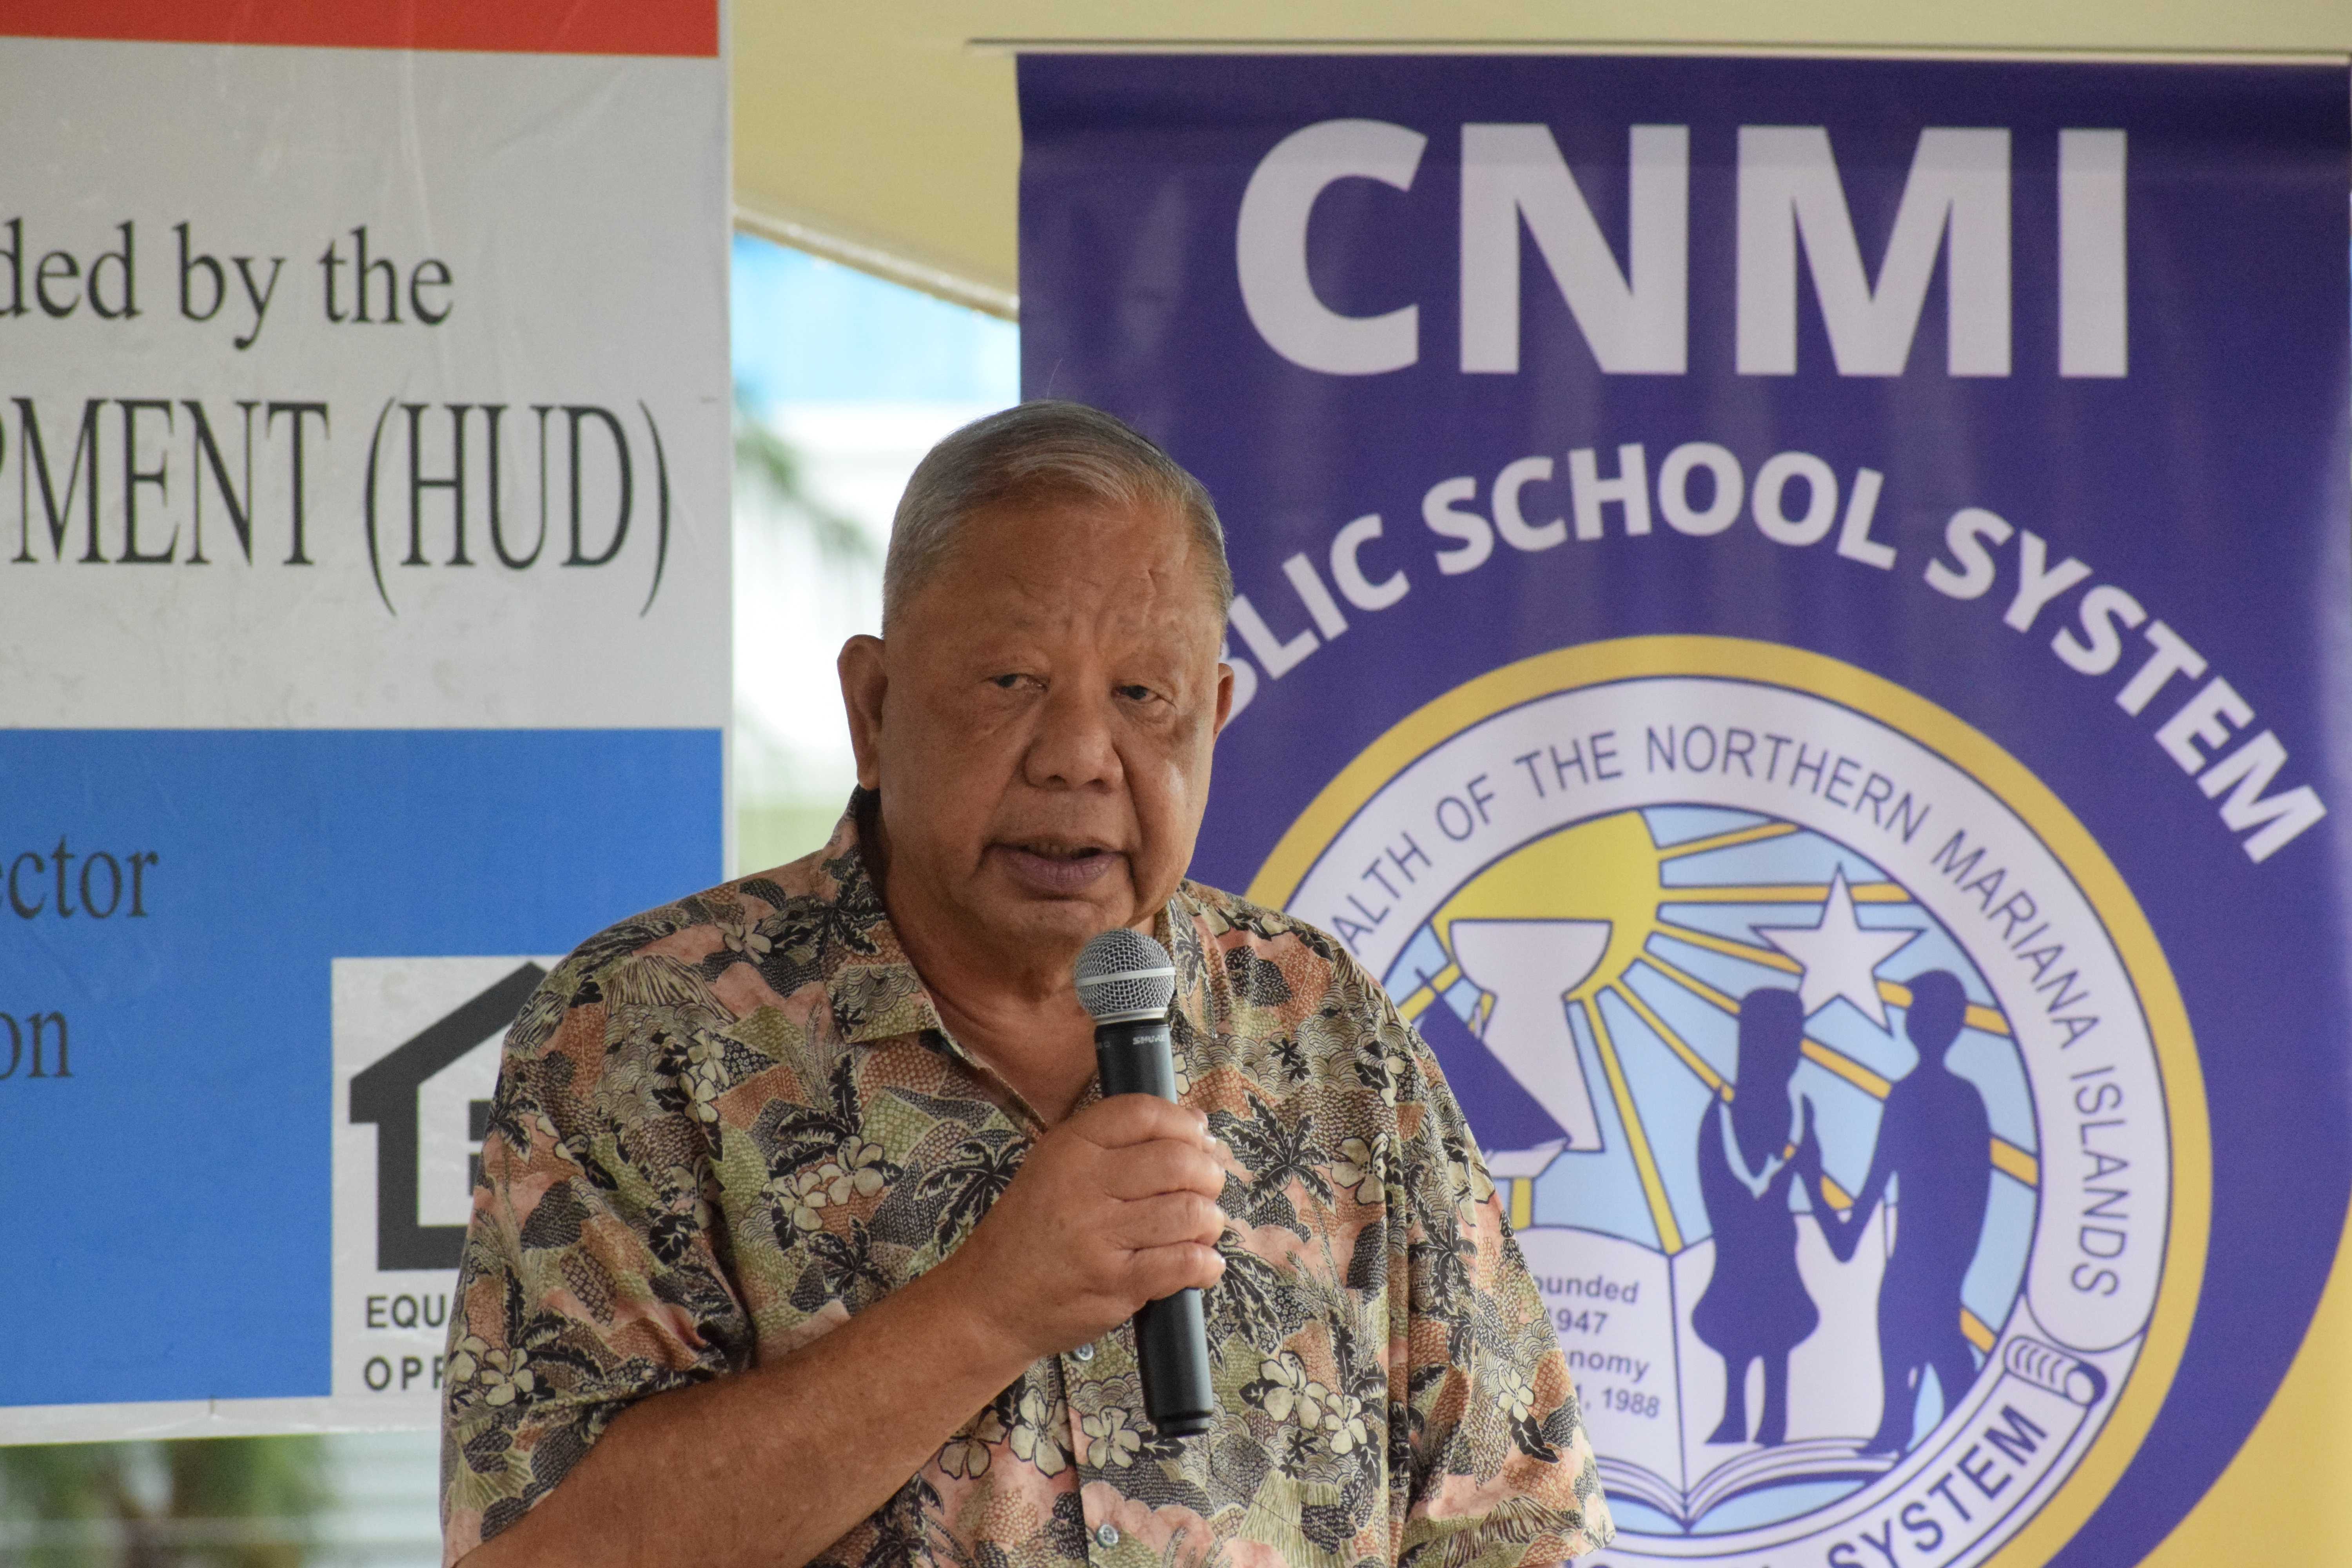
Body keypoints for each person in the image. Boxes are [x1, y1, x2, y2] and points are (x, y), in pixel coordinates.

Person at [438, 401, 1615, 1568]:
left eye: (1142, 696)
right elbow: (538, 1549)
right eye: (1010, 680)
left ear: (1212, 715)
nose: (1076, 756)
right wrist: (988, 1308)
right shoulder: (645, 1027)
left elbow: (1513, 1520)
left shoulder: (1322, 1022)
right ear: (874, 708)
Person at [1806, 969, 1992, 1455]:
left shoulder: (1952, 1100)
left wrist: (1947, 1277)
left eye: (1923, 1011)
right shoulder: (1908, 1097)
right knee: (1909, 1425)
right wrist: (1810, 1179)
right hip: (1916, 1277)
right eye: (1914, 1010)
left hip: (1928, 1279)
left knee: (1956, 1407)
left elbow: (1976, 1202)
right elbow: (1854, 1230)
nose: (1915, 1020)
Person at [1690, 987, 1819, 1448]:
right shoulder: (1722, 1113)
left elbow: (1814, 1185)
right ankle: (1734, 1415)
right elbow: (1713, 1183)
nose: (1793, 1051)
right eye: (1785, 1038)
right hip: (1738, 1246)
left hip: (1778, 1246)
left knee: (1777, 1328)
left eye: (1798, 1039)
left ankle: (1776, 1418)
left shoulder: (1799, 1112)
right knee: (1738, 1325)